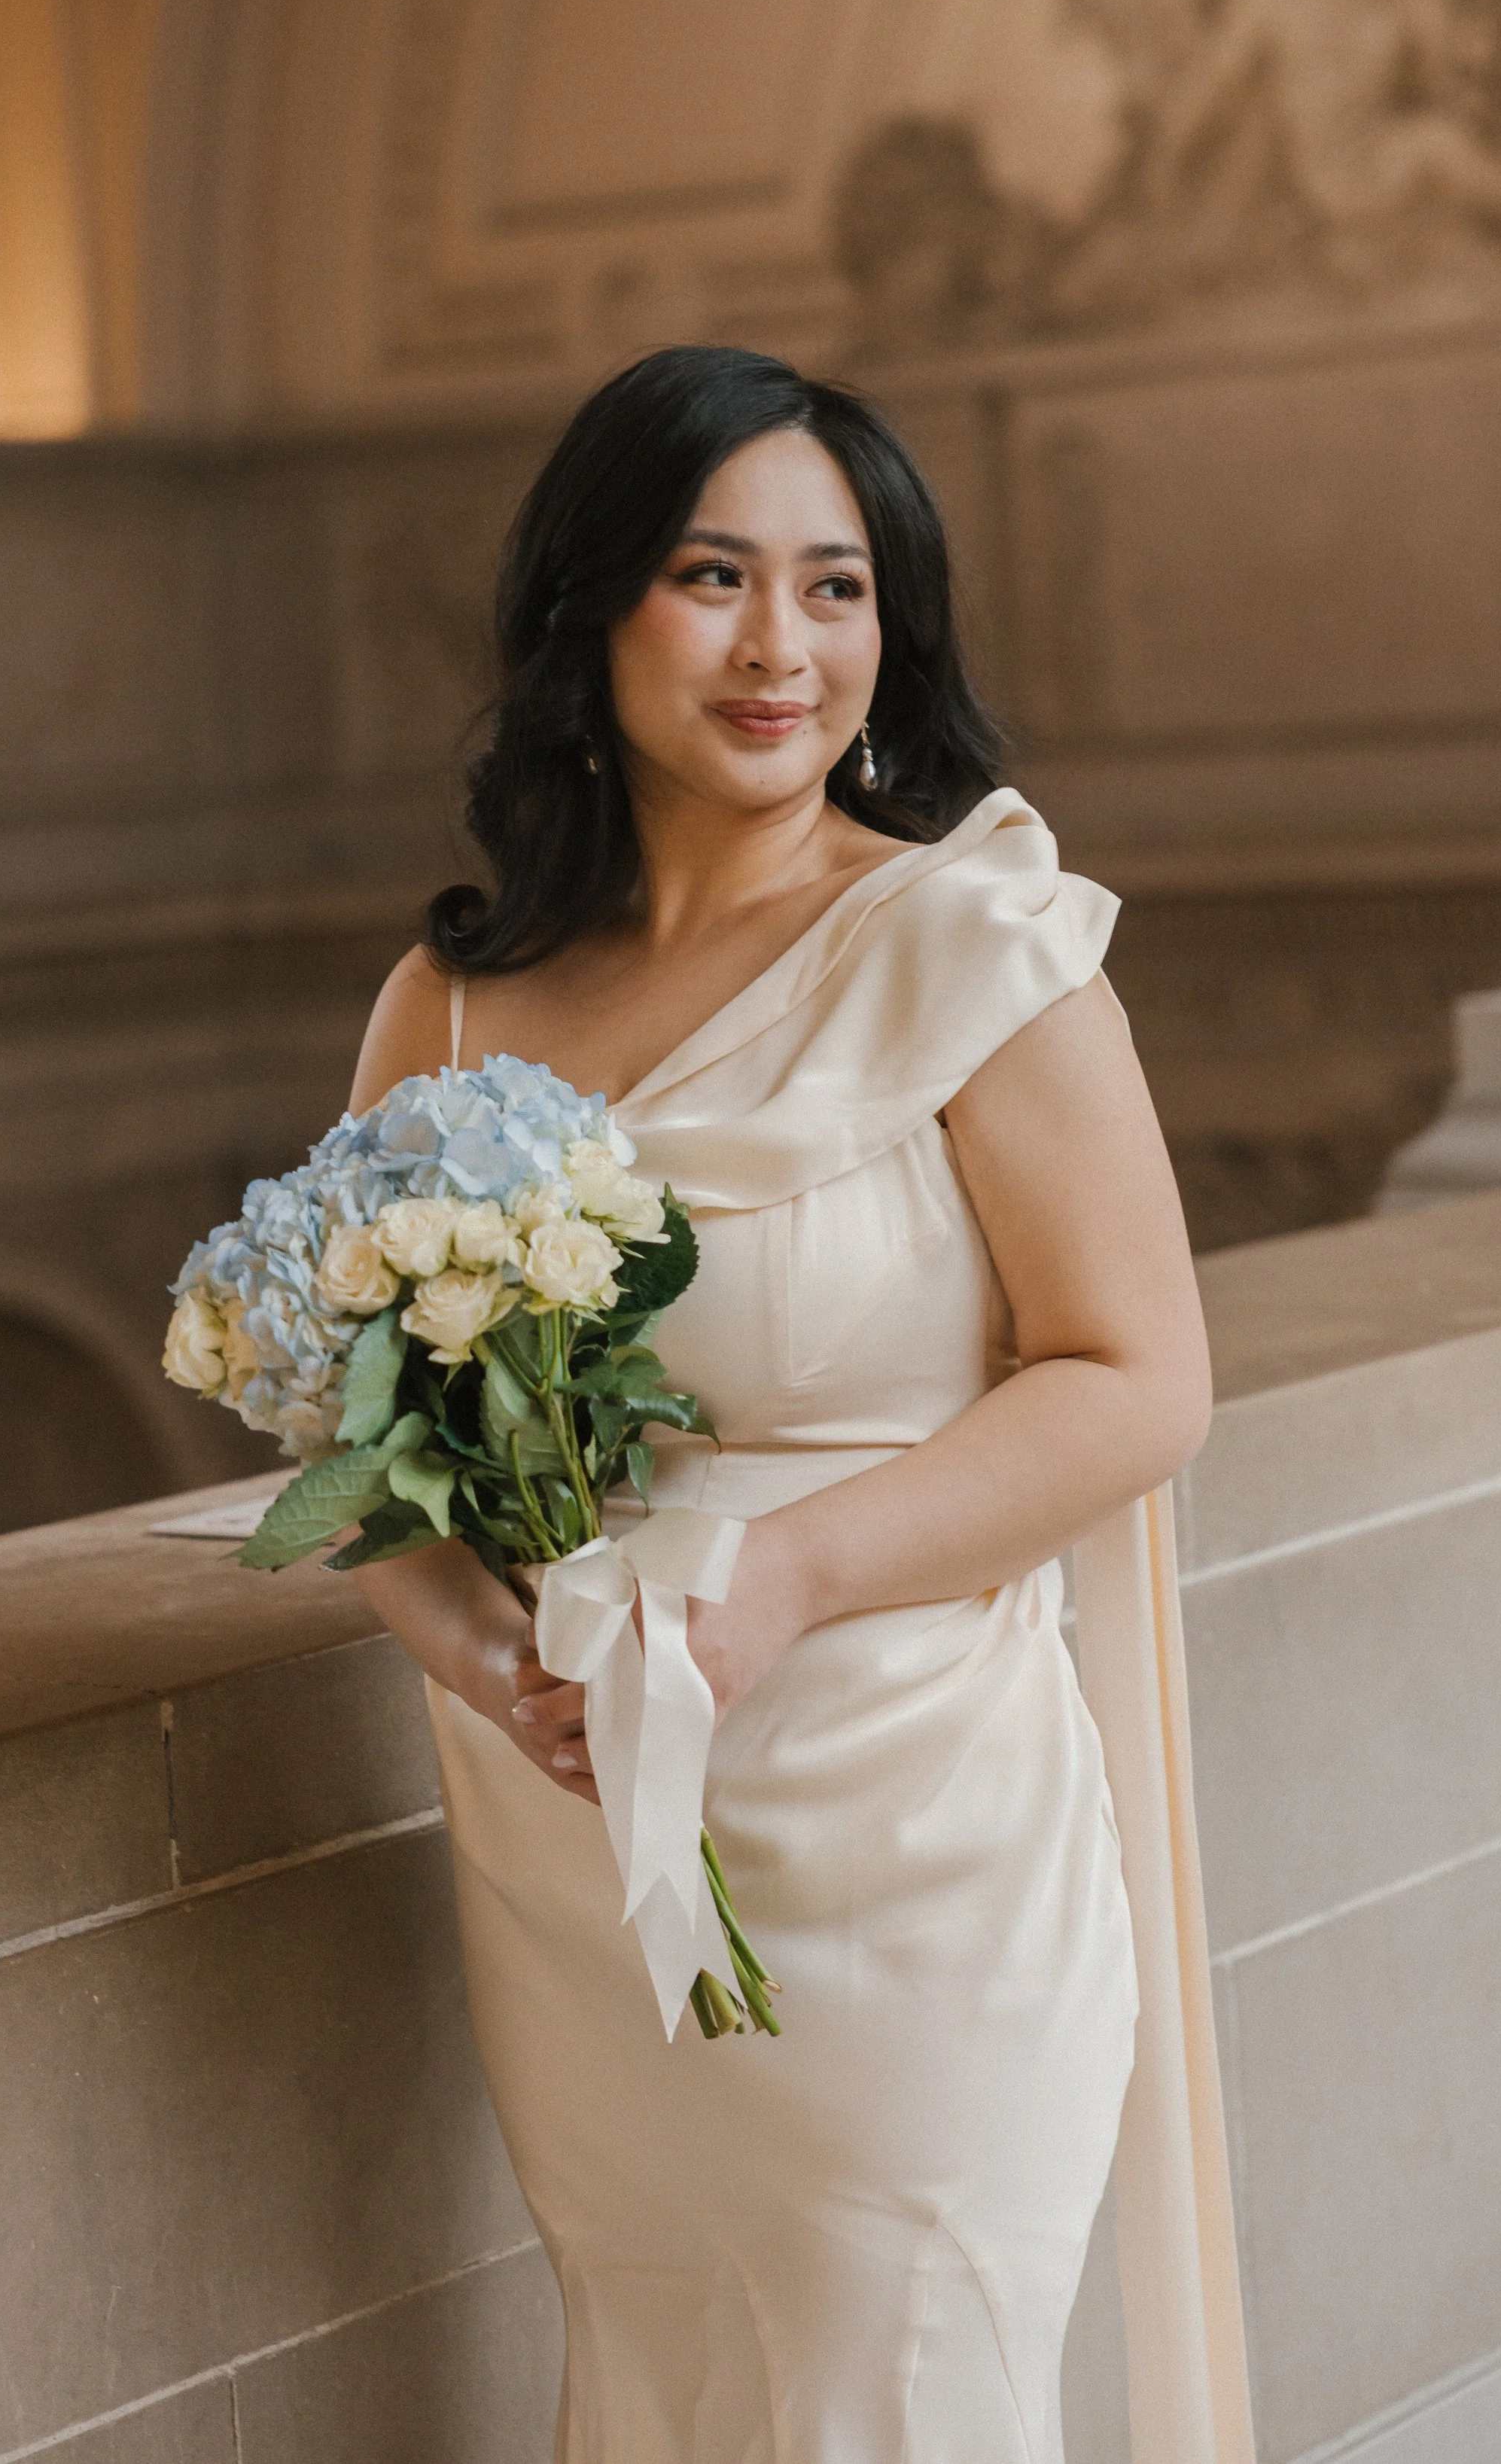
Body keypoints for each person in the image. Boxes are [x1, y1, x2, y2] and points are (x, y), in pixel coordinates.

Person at [346, 343, 1216, 2461]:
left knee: (901, 2384)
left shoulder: (972, 946)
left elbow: (1138, 1380)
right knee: (665, 2388)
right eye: (712, 576)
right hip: (589, 1856)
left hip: (915, 1840)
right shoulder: (454, 1001)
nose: (781, 646)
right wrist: (492, 1664)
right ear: (592, 611)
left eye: (837, 588)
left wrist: (785, 1578)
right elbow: (358, 1436)